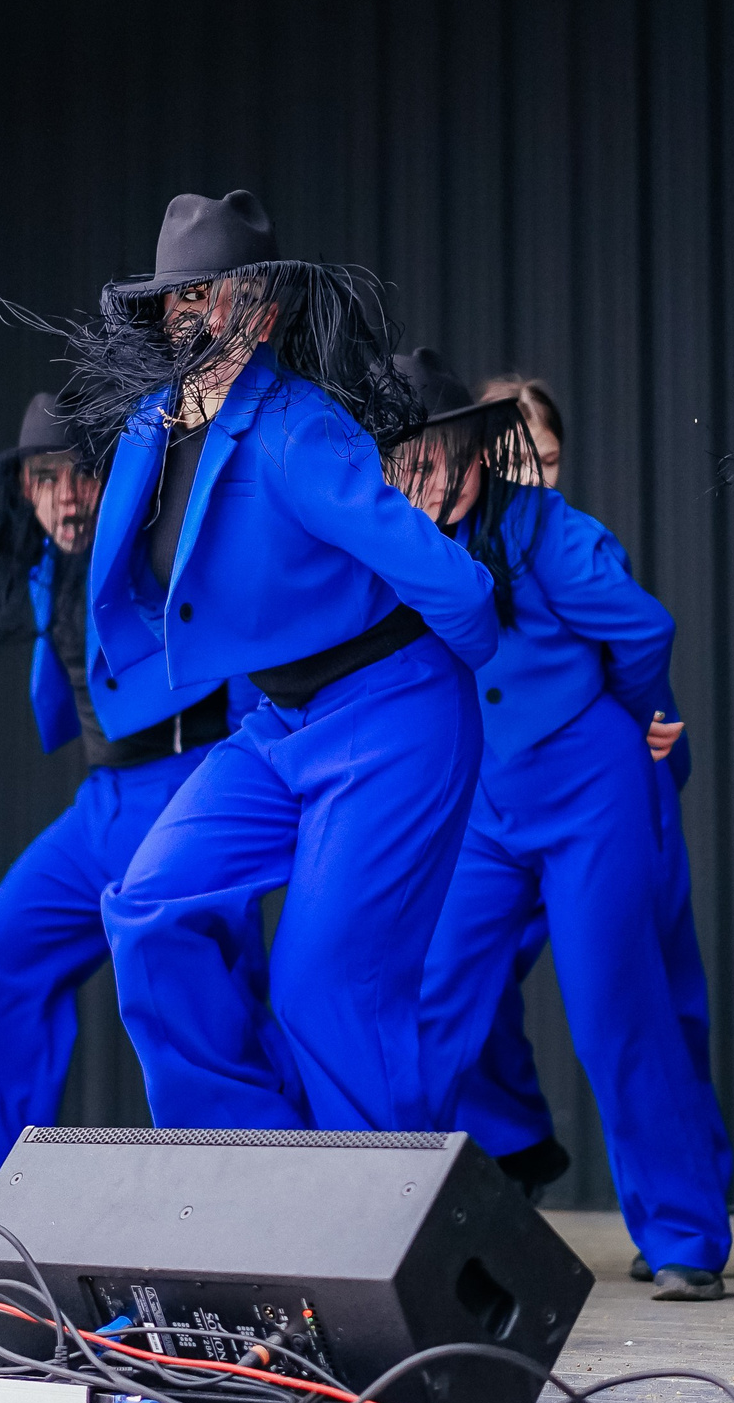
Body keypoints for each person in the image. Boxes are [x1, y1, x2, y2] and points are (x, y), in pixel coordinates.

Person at [40, 189, 499, 1131]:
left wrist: (443, 699)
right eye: (180, 295)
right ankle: (248, 1153)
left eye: (218, 292)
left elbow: (458, 588)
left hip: (392, 712)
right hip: (275, 722)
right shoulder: (147, 427)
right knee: (149, 910)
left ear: (267, 308)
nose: (196, 311)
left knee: (326, 983)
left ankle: (376, 1229)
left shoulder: (297, 429)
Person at [391, 351, 734, 1303]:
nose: (425, 485)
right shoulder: (403, 539)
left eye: (438, 464)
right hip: (485, 800)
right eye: (405, 468)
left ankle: (683, 1235)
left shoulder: (550, 529)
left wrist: (630, 718)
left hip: (590, 780)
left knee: (614, 998)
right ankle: (417, 1225)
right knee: (437, 992)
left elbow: (645, 629)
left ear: (475, 452)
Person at [0, 395, 236, 1249]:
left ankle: (219, 1199)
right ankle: (1, 1197)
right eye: (42, 478)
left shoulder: (150, 547)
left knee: (196, 982)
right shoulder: (44, 566)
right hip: (101, 798)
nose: (61, 497)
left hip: (185, 781)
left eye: (78, 475)